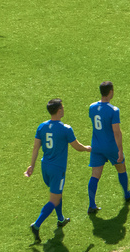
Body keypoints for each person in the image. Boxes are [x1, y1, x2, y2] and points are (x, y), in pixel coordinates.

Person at [25, 98, 91, 243]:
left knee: (57, 193)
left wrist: (31, 166)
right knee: (54, 200)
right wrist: (87, 148)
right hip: (57, 170)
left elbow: (36, 147)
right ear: (59, 110)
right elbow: (77, 146)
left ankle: (60, 218)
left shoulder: (41, 127)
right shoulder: (65, 129)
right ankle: (36, 225)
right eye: (63, 107)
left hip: (45, 167)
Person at [86, 82, 130, 215]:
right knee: (121, 168)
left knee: (95, 176)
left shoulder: (92, 107)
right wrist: (120, 150)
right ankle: (126, 194)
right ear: (110, 92)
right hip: (110, 146)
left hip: (96, 146)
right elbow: (117, 132)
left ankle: (91, 205)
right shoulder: (113, 110)